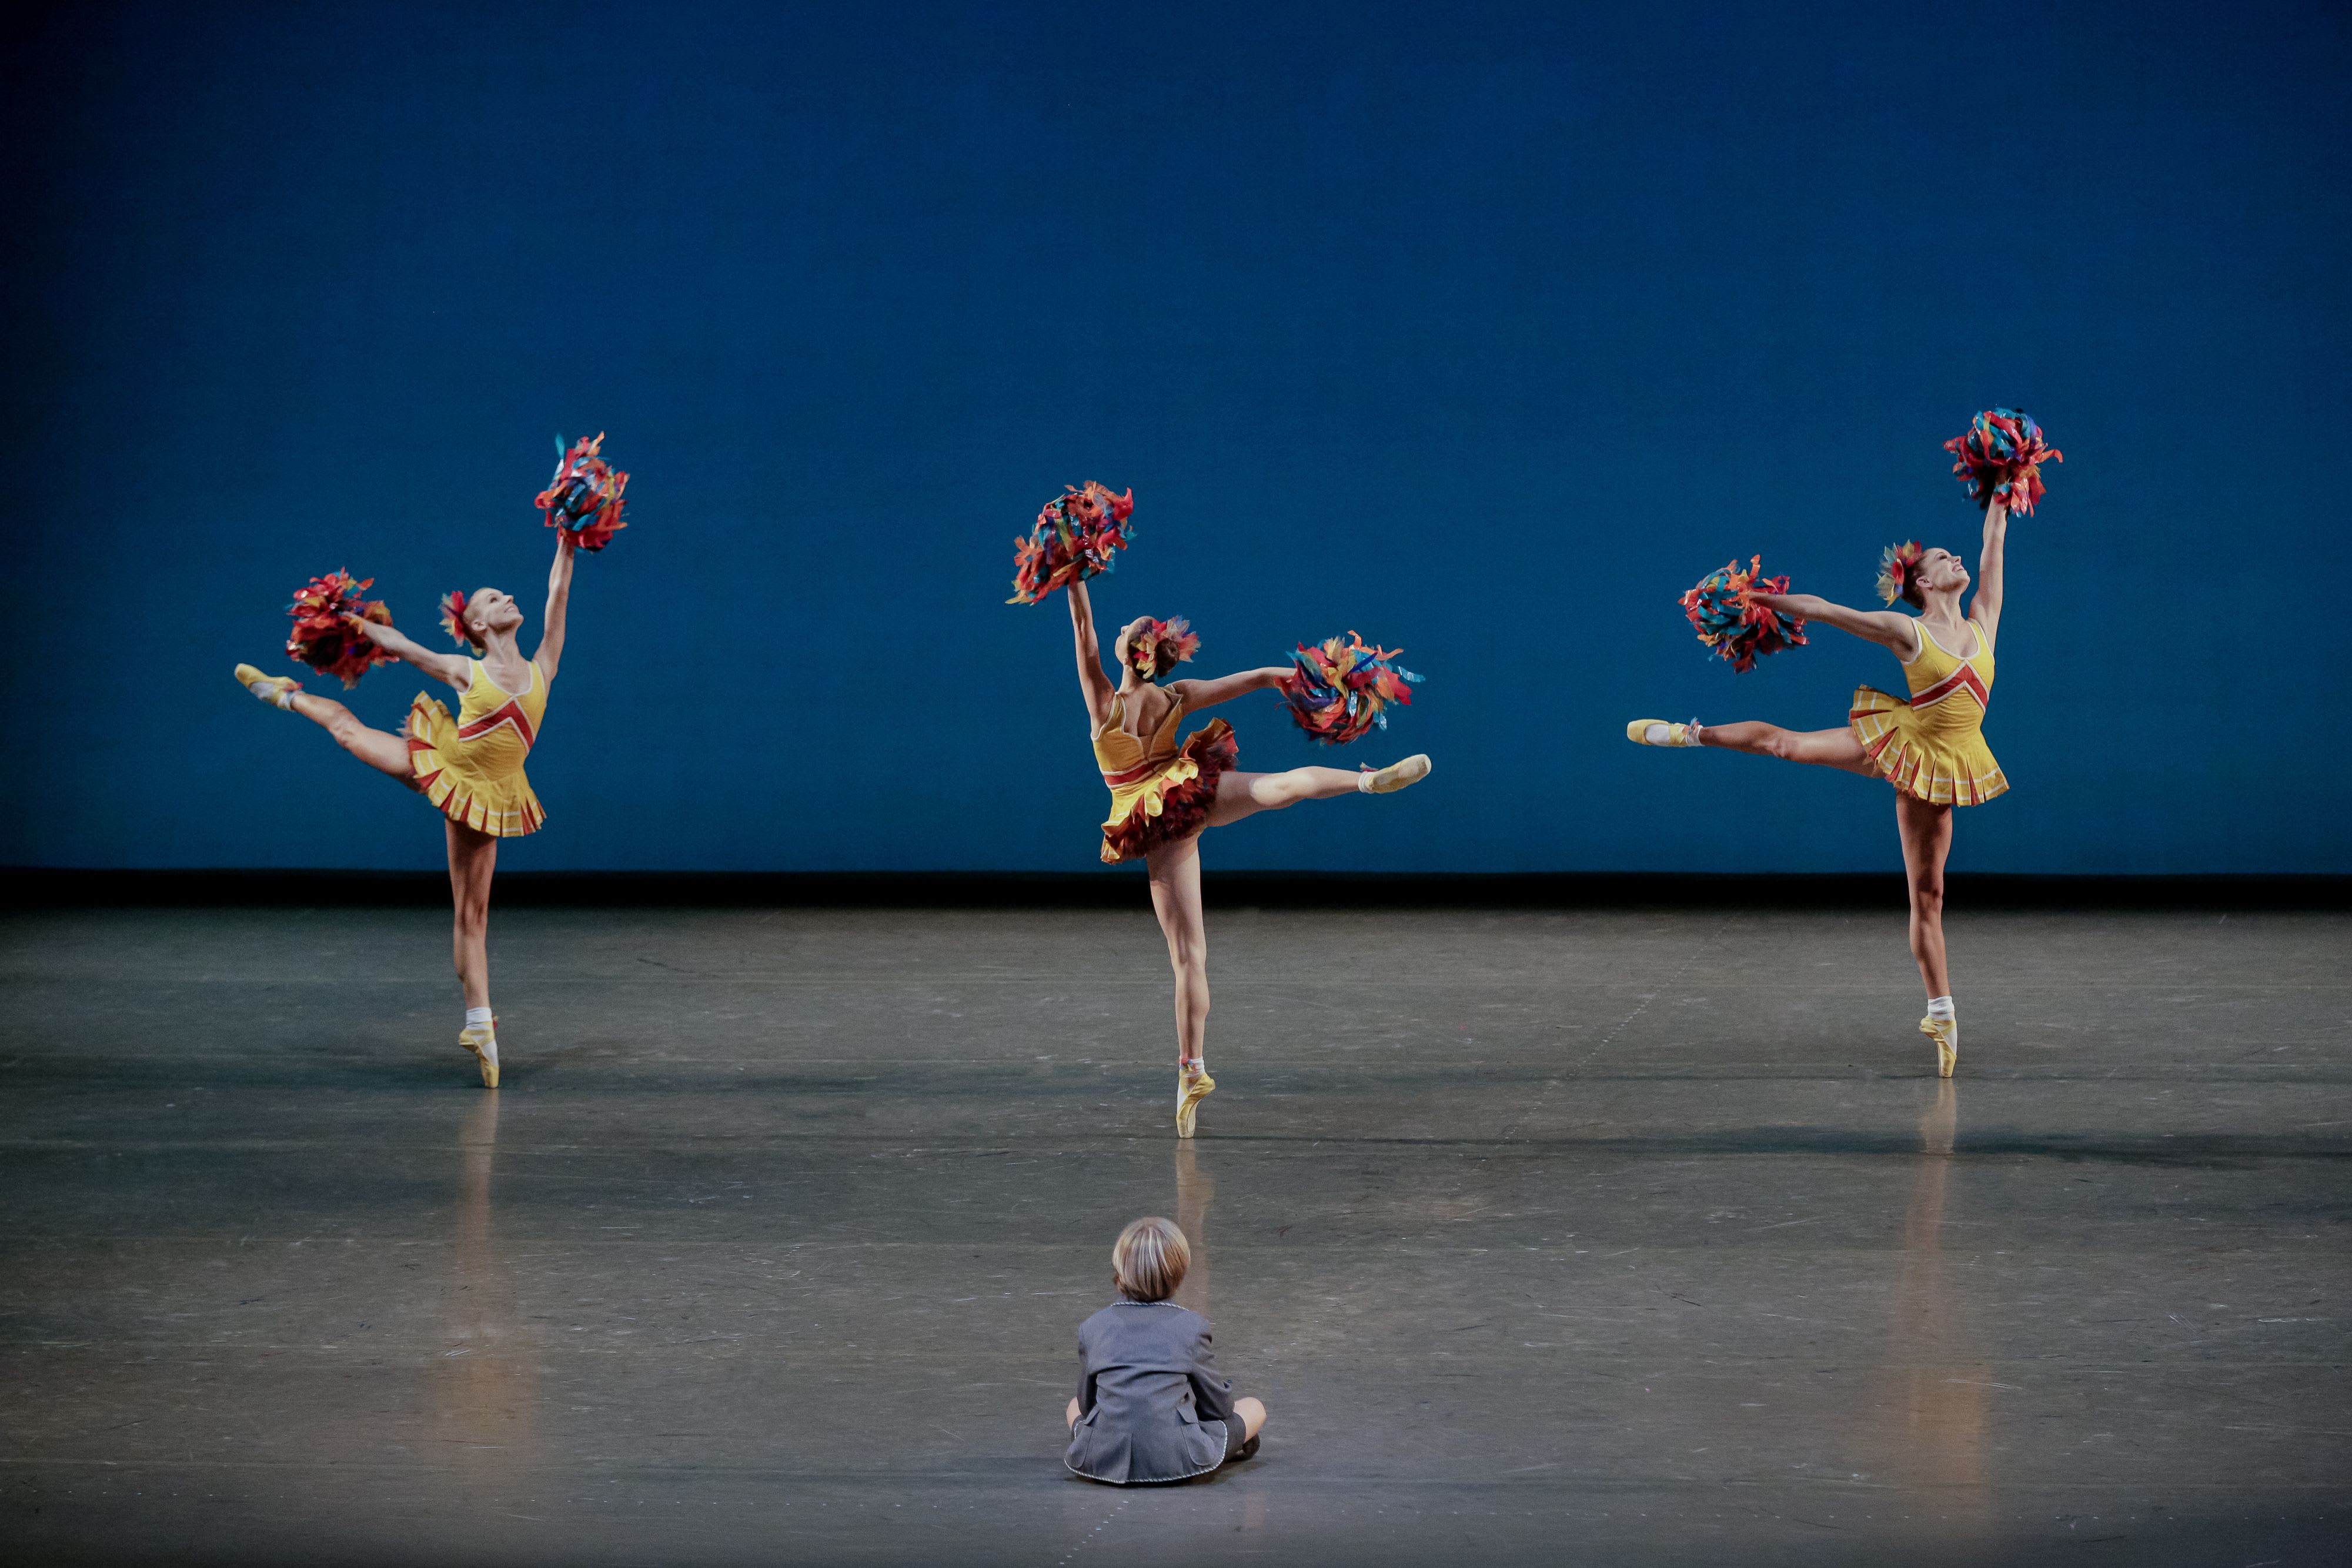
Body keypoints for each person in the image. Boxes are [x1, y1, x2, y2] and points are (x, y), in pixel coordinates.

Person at [1625, 491, 2020, 1076]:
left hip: (1945, 763)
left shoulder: (1984, 620)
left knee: (1929, 898)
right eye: (1942, 559)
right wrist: (1755, 597)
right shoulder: (1906, 631)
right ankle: (1687, 734)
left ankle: (1940, 1012)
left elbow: (1993, 545)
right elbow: (1824, 608)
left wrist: (2002, 488)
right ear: (1925, 583)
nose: (1954, 560)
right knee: (1787, 745)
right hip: (1903, 742)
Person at [1065, 577, 1431, 1135]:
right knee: (1276, 787)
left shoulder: (1104, 704)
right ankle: (1366, 781)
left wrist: (1073, 571)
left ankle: (1192, 1069)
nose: (1117, 630)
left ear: (1130, 654)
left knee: (1188, 956)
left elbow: (1083, 630)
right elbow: (1261, 677)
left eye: (1125, 630)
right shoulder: (1175, 695)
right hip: (1187, 792)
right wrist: (1323, 681)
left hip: (1153, 820)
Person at [232, 531, 577, 1087]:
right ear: (480, 627)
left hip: (492, 789)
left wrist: (568, 537)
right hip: (449, 770)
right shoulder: (467, 670)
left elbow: (557, 593)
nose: (505, 598)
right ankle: (286, 693)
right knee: (349, 732)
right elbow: (404, 645)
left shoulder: (544, 665)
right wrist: (351, 620)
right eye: (492, 599)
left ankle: (479, 1028)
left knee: (473, 919)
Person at [1064, 1216, 1265, 1485]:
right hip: (1176, 1459)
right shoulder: (1191, 1327)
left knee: (1072, 1406)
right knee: (1255, 1408)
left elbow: (1088, 1407)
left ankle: (1103, 1451)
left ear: (1120, 1267)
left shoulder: (1092, 1327)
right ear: (1179, 1272)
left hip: (1103, 1461)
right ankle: (1214, 1452)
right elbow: (1218, 1408)